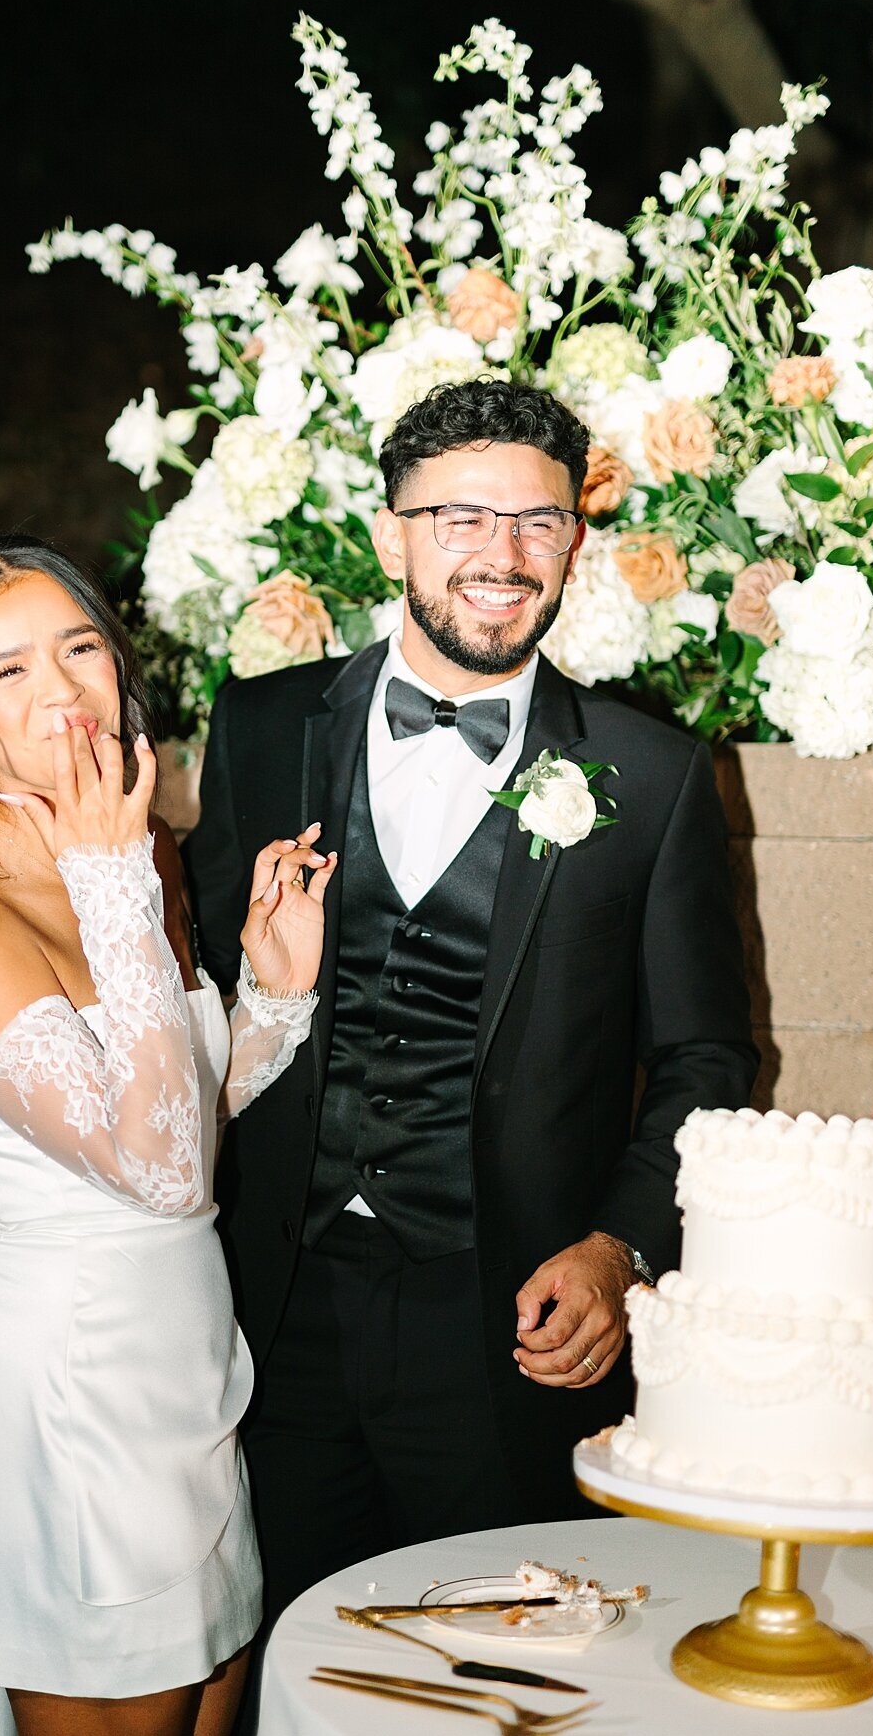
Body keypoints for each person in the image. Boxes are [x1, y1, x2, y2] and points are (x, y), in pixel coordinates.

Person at [181, 379, 758, 1663]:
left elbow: (709, 1057)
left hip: (509, 1331)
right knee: (289, 1668)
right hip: (278, 1318)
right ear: (392, 537)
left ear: (576, 543)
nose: (502, 557)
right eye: (461, 519)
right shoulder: (264, 727)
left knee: (514, 1675)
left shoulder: (650, 774)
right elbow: (195, 1007)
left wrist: (619, 1246)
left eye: (538, 524)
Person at [0, 537, 335, 1736]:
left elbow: (175, 1111)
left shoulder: (138, 854)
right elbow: (168, 1175)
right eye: (11, 672)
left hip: (185, 1374)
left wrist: (273, 999)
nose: (66, 690)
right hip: (69, 1394)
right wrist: (108, 881)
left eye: (81, 648)